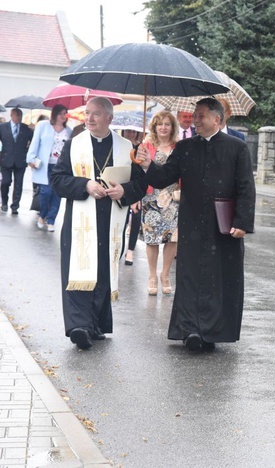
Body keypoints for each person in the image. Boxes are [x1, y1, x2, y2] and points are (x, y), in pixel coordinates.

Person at [136, 98, 255, 351]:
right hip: (192, 223)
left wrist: (242, 221)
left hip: (224, 226)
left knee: (217, 277)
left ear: (217, 119)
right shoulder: (186, 147)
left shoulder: (237, 147)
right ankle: (189, 329)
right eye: (194, 115)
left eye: (201, 116)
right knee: (190, 276)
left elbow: (246, 187)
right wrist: (147, 164)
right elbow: (165, 177)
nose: (195, 120)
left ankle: (211, 332)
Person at [50, 97, 146, 350]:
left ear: (110, 119)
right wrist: (85, 184)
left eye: (96, 114)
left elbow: (139, 185)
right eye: (87, 113)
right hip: (80, 221)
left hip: (110, 220)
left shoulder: (127, 148)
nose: (89, 118)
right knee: (78, 270)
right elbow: (58, 180)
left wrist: (124, 192)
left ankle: (94, 324)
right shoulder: (74, 144)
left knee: (102, 270)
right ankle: (78, 326)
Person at [138, 112, 180, 295]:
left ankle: (166, 274)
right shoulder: (146, 146)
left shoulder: (179, 147)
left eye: (167, 124)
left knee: (173, 238)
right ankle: (152, 276)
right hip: (151, 197)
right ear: (154, 127)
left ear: (172, 127)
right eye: (160, 124)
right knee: (152, 238)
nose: (163, 127)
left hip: (172, 198)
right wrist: (135, 197)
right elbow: (138, 173)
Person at [26, 104, 72, 232]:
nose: (63, 116)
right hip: (45, 165)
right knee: (46, 192)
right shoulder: (43, 126)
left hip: (60, 166)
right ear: (55, 114)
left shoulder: (68, 131)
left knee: (57, 194)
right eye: (61, 113)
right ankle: (42, 215)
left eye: (65, 113)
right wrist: (31, 158)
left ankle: (51, 220)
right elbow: (35, 142)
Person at [0, 108, 34, 214]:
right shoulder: (2, 127)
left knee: (18, 184)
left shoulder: (26, 128)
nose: (19, 117)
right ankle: (4, 202)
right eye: (17, 115)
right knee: (6, 182)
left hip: (20, 160)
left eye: (21, 115)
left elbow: (33, 142)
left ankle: (15, 206)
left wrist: (28, 152)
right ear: (11, 115)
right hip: (5, 159)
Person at [120, 129, 145, 266]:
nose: (130, 134)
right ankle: (119, 246)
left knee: (136, 217)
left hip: (135, 186)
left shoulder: (140, 148)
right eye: (127, 131)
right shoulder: (119, 146)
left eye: (132, 132)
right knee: (121, 219)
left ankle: (130, 250)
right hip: (121, 185)